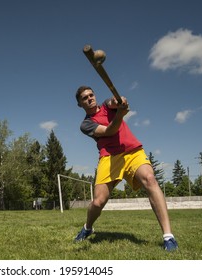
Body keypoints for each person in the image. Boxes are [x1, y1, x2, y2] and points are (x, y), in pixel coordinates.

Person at [74, 86, 178, 251]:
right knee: (98, 202)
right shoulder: (86, 124)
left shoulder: (107, 106)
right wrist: (121, 115)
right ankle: (87, 227)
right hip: (109, 158)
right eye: (84, 98)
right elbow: (109, 130)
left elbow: (113, 101)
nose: (89, 98)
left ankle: (168, 237)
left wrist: (120, 102)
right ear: (80, 104)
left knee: (150, 179)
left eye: (91, 95)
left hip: (131, 151)